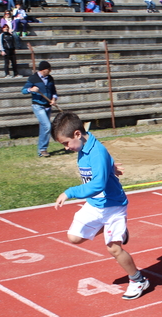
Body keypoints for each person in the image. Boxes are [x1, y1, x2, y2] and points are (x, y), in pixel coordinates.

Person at [51, 111, 149, 300]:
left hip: (113, 205)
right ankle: (116, 231)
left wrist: (69, 192)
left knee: (113, 248)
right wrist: (111, 167)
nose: (65, 148)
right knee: (74, 237)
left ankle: (138, 279)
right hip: (96, 204)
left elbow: (98, 185)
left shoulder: (96, 151)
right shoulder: (84, 147)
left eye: (65, 143)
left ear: (78, 134)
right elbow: (102, 161)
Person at [22, 61, 58, 157]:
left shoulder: (50, 78)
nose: (50, 71)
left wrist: (54, 99)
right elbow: (24, 90)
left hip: (48, 106)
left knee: (43, 128)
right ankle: (42, 149)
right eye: (48, 69)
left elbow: (54, 91)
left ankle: (42, 150)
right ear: (43, 70)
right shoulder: (33, 78)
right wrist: (31, 89)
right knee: (47, 126)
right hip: (38, 106)